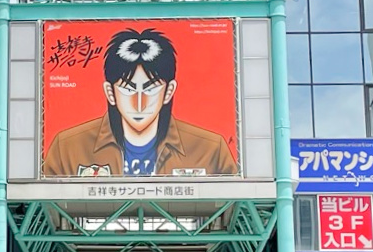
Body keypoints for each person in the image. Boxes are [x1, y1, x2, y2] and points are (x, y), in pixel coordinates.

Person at [39, 28, 240, 178]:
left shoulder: (211, 150)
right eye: (128, 89)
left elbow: (234, 218)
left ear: (169, 91)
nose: (139, 103)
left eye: (151, 89)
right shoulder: (67, 149)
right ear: (110, 92)